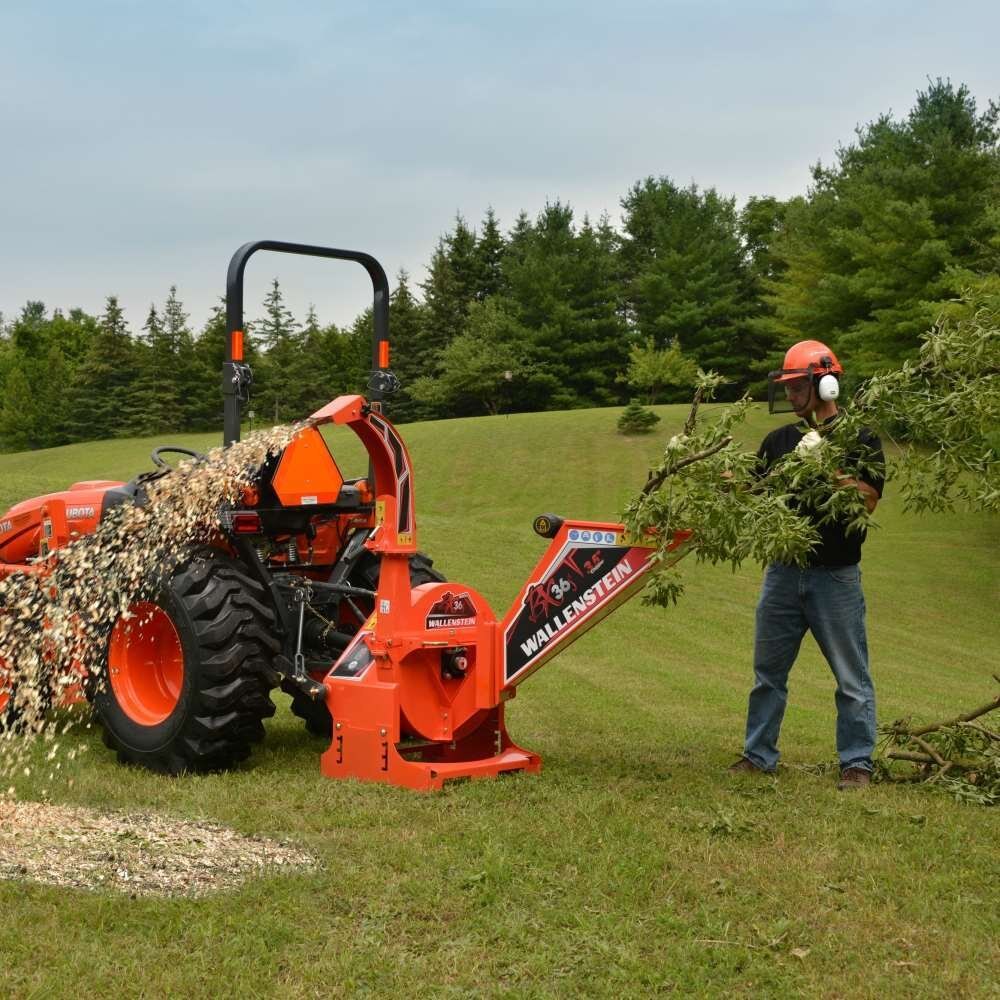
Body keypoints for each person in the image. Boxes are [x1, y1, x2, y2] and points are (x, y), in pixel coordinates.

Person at [730, 340, 885, 790]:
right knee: (768, 674)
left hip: (835, 577)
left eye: (800, 387)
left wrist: (828, 466)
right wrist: (727, 487)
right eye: (790, 388)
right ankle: (758, 756)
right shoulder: (777, 442)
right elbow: (756, 498)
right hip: (782, 572)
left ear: (827, 384)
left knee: (851, 677)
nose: (793, 396)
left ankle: (857, 763)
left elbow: (868, 501)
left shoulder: (860, 439)